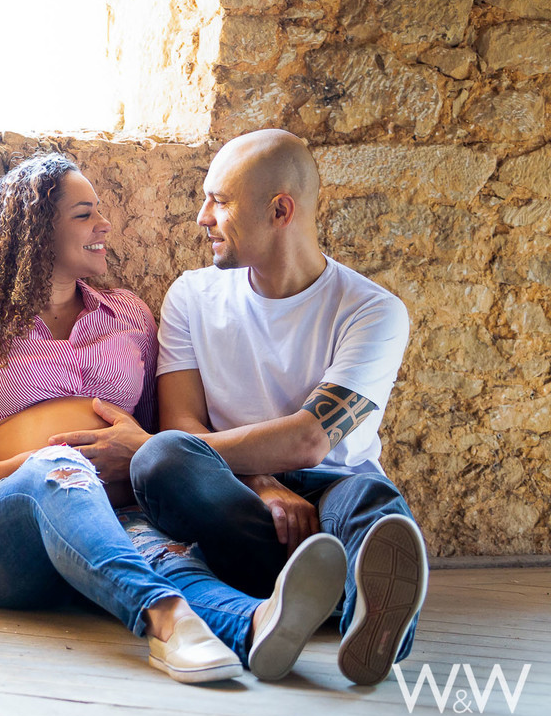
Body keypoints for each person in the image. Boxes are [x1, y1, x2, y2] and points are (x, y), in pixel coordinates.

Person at [0, 151, 347, 684]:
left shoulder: (130, 316)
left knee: (167, 555)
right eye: (84, 214)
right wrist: (17, 469)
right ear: (37, 232)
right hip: (4, 536)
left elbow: (158, 434)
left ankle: (253, 623)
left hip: (117, 515)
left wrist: (257, 479)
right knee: (57, 469)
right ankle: (164, 620)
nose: (104, 224)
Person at [49, 130, 428, 687]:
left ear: (280, 211)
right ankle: (324, 587)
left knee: (371, 503)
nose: (202, 217)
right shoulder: (191, 296)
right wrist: (259, 481)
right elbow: (181, 424)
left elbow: (311, 440)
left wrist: (160, 446)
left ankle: (368, 619)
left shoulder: (372, 311)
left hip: (336, 484)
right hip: (232, 493)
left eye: (220, 201)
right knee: (161, 460)